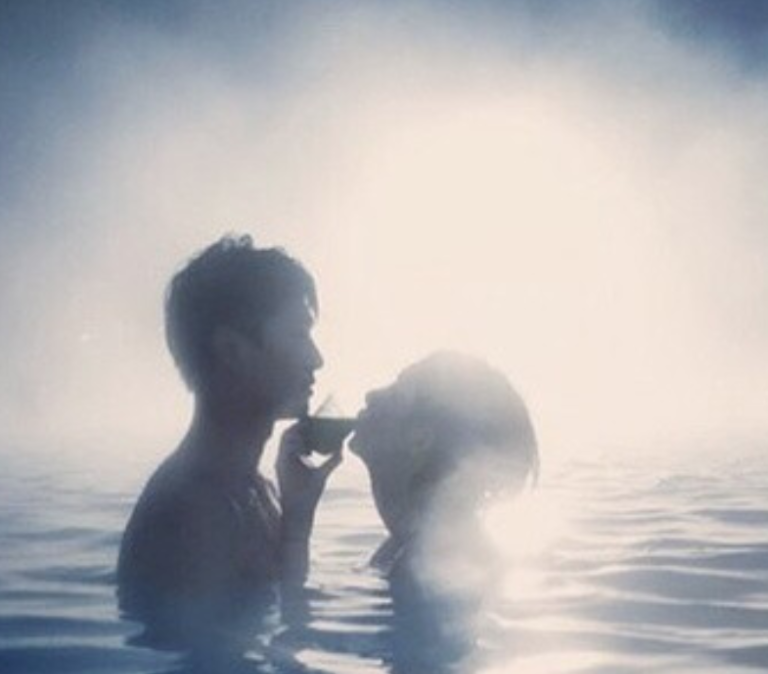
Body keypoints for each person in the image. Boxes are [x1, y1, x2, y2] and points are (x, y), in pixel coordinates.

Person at [117, 235, 340, 645]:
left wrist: (297, 523)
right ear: (233, 350)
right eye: (298, 335)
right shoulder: (193, 514)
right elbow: (214, 670)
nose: (316, 358)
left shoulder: (252, 489)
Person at [349, 351, 538, 602]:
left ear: (420, 439)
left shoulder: (428, 560)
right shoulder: (411, 544)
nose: (371, 394)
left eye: (396, 394)